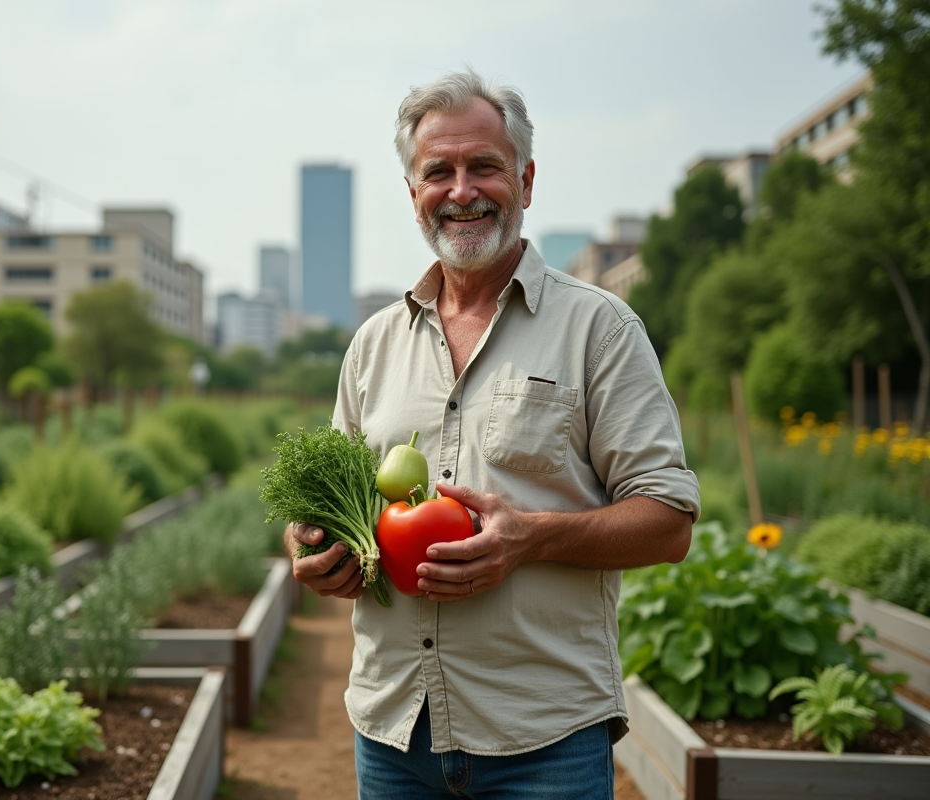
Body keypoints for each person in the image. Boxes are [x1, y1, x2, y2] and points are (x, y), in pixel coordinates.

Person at [285, 68, 701, 799]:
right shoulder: (373, 344)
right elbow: (325, 505)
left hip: (544, 741)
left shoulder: (599, 329)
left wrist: (531, 537)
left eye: (484, 166)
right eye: (437, 171)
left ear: (526, 180)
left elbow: (667, 524)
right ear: (413, 193)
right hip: (393, 734)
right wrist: (315, 548)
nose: (461, 190)